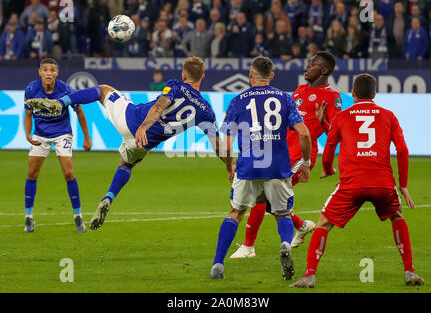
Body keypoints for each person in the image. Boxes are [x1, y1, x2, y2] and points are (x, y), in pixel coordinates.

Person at [26, 57, 233, 230]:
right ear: (203, 77)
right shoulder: (206, 110)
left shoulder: (175, 85)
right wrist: (229, 166)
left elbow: (160, 105)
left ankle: (60, 103)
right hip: (144, 144)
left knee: (103, 90)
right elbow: (218, 146)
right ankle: (109, 197)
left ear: (184, 74)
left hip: (132, 120)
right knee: (126, 164)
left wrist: (143, 126)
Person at [291, 73, 424, 288]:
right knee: (397, 216)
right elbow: (402, 150)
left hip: (352, 184)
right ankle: (410, 271)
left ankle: (309, 275)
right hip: (382, 183)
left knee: (323, 224)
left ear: (352, 93)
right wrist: (404, 185)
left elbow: (330, 149)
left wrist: (327, 169)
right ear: (374, 93)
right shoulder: (388, 115)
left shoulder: (342, 117)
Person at [230, 51, 342, 259]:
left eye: (313, 64)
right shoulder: (299, 90)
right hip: (279, 151)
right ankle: (300, 226)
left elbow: (336, 133)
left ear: (324, 70)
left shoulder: (332, 98)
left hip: (299, 156)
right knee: (270, 199)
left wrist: (322, 123)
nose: (308, 67)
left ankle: (248, 246)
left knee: (262, 196)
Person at [210, 56, 312, 280]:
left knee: (235, 213)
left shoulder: (238, 101)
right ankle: (285, 243)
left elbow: (224, 144)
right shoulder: (285, 99)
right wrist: (306, 162)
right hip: (278, 167)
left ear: (250, 74)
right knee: (282, 213)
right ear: (271, 76)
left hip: (248, 166)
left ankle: (218, 263)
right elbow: (304, 133)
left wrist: (229, 167)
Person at [23, 57, 92, 233]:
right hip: (40, 134)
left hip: (62, 133)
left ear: (57, 73)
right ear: (40, 72)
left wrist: (87, 137)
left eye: (52, 70)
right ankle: (28, 217)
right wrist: (27, 135)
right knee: (32, 173)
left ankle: (77, 215)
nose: (48, 73)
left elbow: (79, 111)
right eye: (45, 69)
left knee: (68, 173)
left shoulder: (65, 90)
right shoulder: (31, 89)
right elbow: (28, 114)